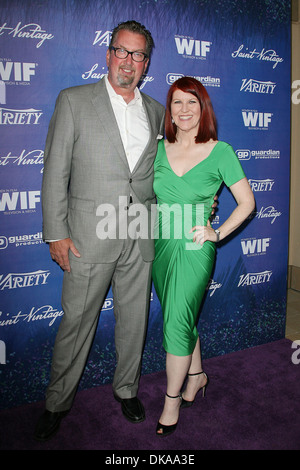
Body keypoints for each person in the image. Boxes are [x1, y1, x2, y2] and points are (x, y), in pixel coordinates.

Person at [34, 20, 165, 442]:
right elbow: (55, 170)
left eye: (138, 55)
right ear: (108, 54)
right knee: (77, 323)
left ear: (146, 63)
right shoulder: (74, 101)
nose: (129, 62)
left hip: (139, 232)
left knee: (134, 321)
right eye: (122, 52)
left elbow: (161, 176)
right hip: (87, 236)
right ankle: (57, 402)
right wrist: (56, 233)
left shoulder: (157, 112)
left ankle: (126, 388)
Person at [152, 76, 255, 437]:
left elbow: (247, 203)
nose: (184, 109)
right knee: (180, 316)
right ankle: (197, 376)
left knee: (177, 322)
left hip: (195, 248)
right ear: (170, 109)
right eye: (177, 102)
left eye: (192, 102)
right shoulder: (158, 148)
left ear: (203, 108)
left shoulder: (220, 150)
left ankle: (171, 402)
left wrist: (217, 232)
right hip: (161, 245)